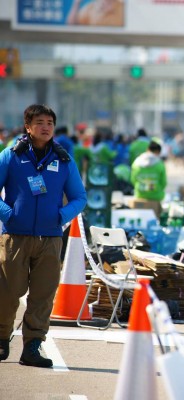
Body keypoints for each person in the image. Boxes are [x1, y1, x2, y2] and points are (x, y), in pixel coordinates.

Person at [0, 104, 87, 368]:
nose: (46, 127)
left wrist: (62, 216)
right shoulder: (10, 156)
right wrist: (7, 214)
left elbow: (79, 198)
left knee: (43, 295)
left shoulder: (63, 160)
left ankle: (33, 347)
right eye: (39, 122)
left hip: (50, 239)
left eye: (50, 122)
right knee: (7, 291)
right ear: (28, 127)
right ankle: (2, 338)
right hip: (15, 237)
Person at [130, 140, 166, 218]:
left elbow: (133, 180)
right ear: (158, 152)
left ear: (147, 149)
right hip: (155, 197)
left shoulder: (136, 163)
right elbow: (163, 183)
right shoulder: (160, 164)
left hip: (140, 195)